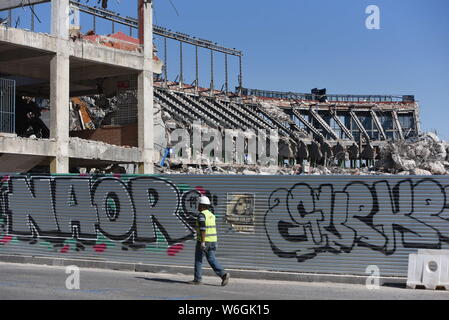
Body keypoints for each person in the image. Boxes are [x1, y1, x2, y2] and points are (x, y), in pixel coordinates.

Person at [189, 196, 230, 286]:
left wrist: (202, 242)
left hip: (204, 241)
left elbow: (203, 229)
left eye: (199, 204)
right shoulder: (211, 215)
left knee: (198, 260)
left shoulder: (201, 215)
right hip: (213, 241)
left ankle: (197, 279)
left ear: (202, 205)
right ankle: (223, 274)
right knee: (211, 259)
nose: (197, 206)